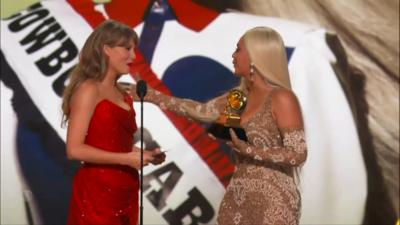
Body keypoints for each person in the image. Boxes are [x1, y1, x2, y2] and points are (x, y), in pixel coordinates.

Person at [131, 26, 307, 225]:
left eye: (238, 50)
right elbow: (198, 110)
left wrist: (249, 149)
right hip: (237, 196)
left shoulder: (281, 97)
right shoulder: (237, 99)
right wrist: (153, 96)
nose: (233, 55)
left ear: (256, 56)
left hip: (273, 199)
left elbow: (297, 153)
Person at [61, 20, 165, 225]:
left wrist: (140, 154)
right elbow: (74, 150)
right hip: (97, 195)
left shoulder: (122, 92)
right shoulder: (89, 90)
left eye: (134, 49)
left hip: (126, 191)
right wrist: (126, 158)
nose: (133, 56)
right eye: (127, 49)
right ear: (106, 49)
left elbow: (111, 142)